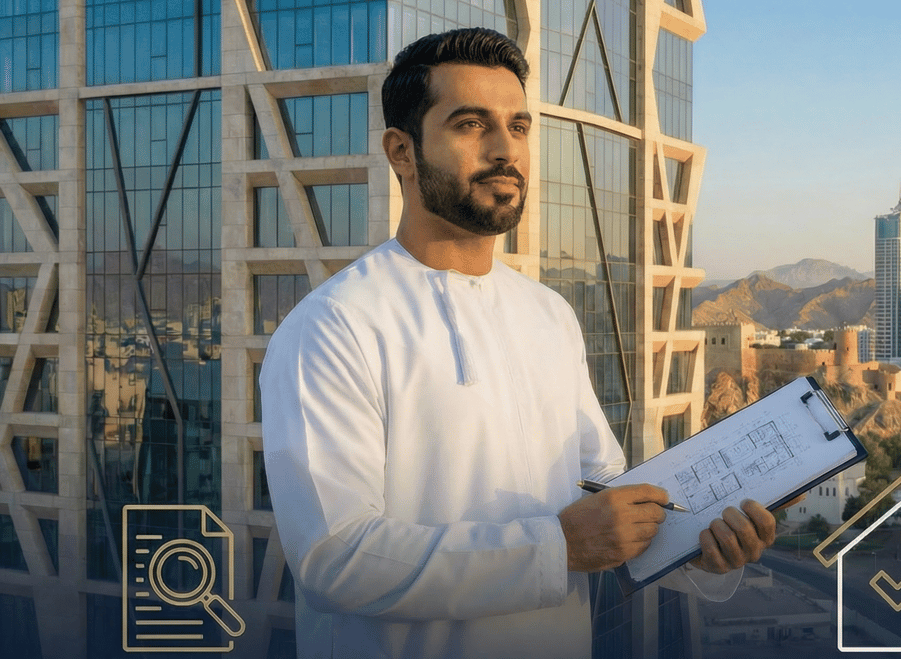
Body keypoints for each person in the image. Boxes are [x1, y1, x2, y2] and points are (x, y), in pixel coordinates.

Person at [260, 28, 784, 658]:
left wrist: (703, 546)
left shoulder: (549, 315)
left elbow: (605, 493)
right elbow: (333, 557)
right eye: (470, 124)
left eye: (519, 126)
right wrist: (557, 548)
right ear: (402, 151)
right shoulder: (334, 326)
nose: (505, 149)